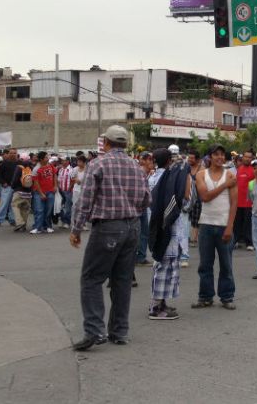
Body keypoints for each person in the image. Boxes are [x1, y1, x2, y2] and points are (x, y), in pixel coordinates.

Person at [70, 125, 151, 350]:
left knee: (92, 279)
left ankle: (95, 331)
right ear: (125, 144)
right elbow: (146, 200)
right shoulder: (136, 166)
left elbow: (85, 201)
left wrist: (76, 230)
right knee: (122, 281)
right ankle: (119, 331)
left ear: (105, 142)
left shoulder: (98, 164)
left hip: (107, 227)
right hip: (132, 226)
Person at [192, 144, 238, 310]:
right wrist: (225, 185)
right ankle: (205, 296)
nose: (220, 157)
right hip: (205, 225)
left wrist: (229, 227)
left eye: (222, 155)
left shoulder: (230, 175)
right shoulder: (201, 175)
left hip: (224, 225)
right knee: (205, 265)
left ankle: (227, 297)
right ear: (210, 157)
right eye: (216, 154)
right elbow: (204, 197)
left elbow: (234, 204)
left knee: (226, 265)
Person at [147, 148, 191, 320]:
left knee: (162, 265)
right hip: (169, 229)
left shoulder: (152, 177)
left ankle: (161, 303)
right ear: (169, 161)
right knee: (165, 267)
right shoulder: (172, 178)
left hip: (156, 226)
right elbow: (186, 200)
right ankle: (156, 307)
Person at [30, 151, 56, 234]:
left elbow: (54, 176)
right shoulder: (36, 169)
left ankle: (48, 226)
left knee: (48, 210)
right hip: (39, 193)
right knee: (39, 210)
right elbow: (36, 182)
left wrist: (55, 186)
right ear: (41, 159)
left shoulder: (51, 166)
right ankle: (37, 227)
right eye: (46, 157)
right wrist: (41, 193)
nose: (47, 158)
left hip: (50, 191)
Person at [234, 150, 255, 250]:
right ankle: (236, 241)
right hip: (238, 202)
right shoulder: (239, 169)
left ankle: (249, 243)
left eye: (249, 157)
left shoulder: (254, 170)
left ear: (252, 159)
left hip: (249, 202)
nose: (246, 159)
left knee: (248, 223)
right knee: (237, 223)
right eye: (245, 157)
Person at [135, 152, 154, 266]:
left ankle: (140, 257)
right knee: (140, 233)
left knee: (143, 232)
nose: (152, 163)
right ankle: (139, 257)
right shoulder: (141, 172)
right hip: (139, 207)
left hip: (142, 207)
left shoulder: (147, 173)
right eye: (150, 161)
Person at [0, 148, 18, 227]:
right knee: (4, 204)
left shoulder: (19, 163)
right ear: (8, 154)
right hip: (6, 187)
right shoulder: (4, 163)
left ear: (16, 154)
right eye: (11, 153)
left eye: (14, 153)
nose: (12, 154)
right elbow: (0, 174)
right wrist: (3, 182)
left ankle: (12, 220)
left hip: (16, 187)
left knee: (13, 205)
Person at [10, 160, 33, 232]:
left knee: (15, 205)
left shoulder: (19, 168)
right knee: (25, 209)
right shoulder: (31, 168)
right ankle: (23, 226)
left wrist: (13, 187)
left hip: (19, 191)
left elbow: (15, 180)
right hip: (28, 192)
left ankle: (20, 223)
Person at [187, 150, 203, 249]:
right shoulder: (186, 168)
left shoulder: (202, 169)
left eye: (192, 158)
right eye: (189, 158)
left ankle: (194, 238)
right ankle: (191, 236)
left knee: (196, 219)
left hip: (198, 198)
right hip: (187, 198)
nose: (189, 160)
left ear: (197, 160)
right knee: (188, 218)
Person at [57, 157, 74, 229]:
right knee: (60, 206)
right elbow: (58, 180)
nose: (62, 162)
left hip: (68, 191)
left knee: (67, 207)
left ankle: (67, 222)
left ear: (67, 161)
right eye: (62, 161)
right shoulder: (61, 170)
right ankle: (63, 220)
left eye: (64, 160)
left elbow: (73, 180)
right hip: (61, 190)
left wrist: (69, 188)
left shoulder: (71, 170)